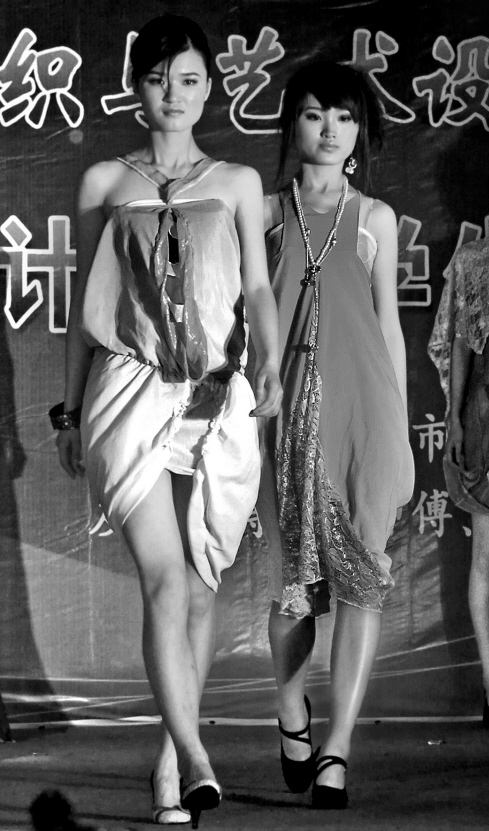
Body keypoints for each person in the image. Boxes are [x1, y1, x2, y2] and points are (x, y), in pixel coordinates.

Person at [51, 13, 282, 828]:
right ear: (135, 88)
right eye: (156, 79)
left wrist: (270, 363)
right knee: (165, 577)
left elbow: (258, 287)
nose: (172, 95)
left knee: (202, 584)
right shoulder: (104, 183)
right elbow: (83, 310)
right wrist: (69, 410)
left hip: (217, 396)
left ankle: (167, 760)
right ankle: (197, 755)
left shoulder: (240, 182)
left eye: (187, 79)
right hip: (128, 392)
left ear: (209, 87)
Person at [257, 61, 414, 809]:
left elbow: (390, 327)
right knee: (294, 591)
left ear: (361, 131)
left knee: (364, 583)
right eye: (316, 113)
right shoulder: (262, 212)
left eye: (345, 117)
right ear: (293, 122)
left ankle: (338, 748)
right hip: (286, 417)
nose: (329, 129)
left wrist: (402, 431)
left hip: (367, 418)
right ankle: (292, 711)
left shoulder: (376, 218)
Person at [428, 152, 489, 729]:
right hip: (488, 418)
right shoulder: (476, 261)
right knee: (488, 557)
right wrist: (453, 418)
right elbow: (456, 342)